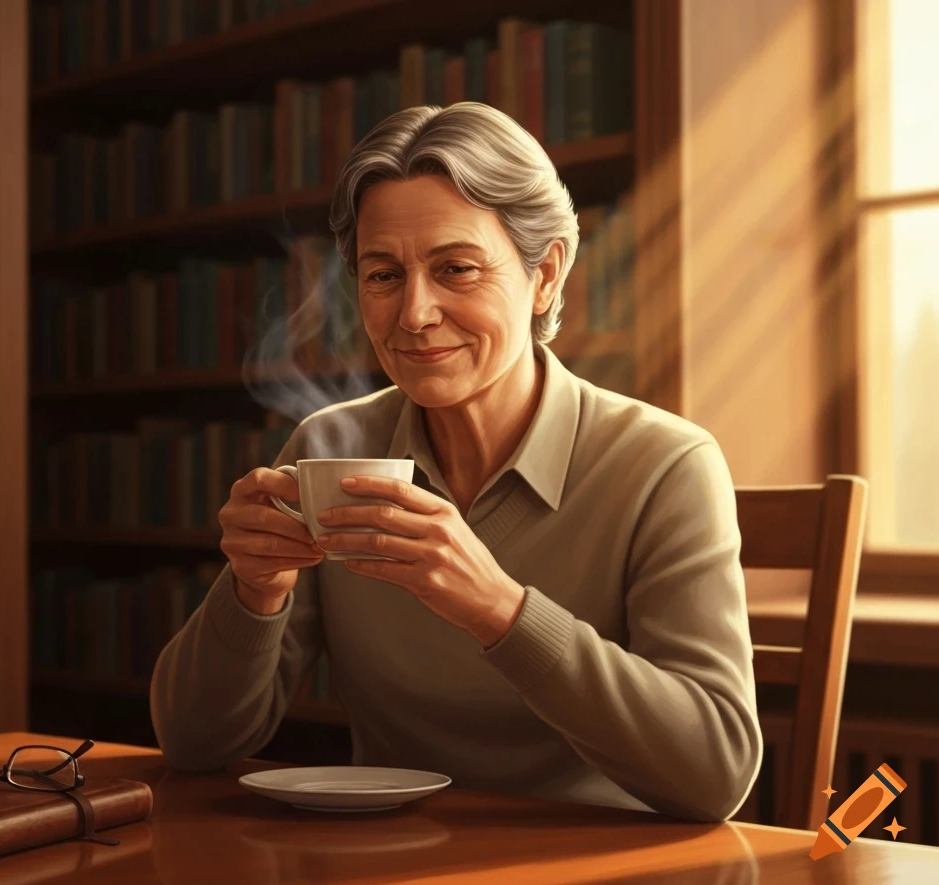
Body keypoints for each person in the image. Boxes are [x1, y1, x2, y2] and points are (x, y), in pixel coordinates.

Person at [150, 102, 762, 822]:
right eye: (383, 275)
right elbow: (193, 746)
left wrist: (499, 610)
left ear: (545, 275)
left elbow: (714, 776)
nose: (413, 313)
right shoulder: (328, 449)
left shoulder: (665, 465)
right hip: (379, 866)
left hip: (602, 871)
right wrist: (254, 591)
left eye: (456, 269)